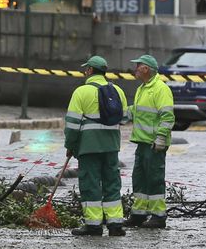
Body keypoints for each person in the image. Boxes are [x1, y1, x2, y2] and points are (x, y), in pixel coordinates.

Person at [64, 55, 129, 237]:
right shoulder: (117, 90)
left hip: (89, 147)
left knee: (90, 183)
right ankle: (115, 224)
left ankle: (93, 225)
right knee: (112, 183)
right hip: (111, 147)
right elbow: (124, 118)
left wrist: (70, 145)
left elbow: (72, 124)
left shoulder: (81, 92)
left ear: (90, 71)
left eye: (87, 69)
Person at [125, 54, 174, 229]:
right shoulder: (143, 88)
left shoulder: (160, 89)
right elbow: (138, 111)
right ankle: (138, 214)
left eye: (137, 66)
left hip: (154, 144)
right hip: (142, 142)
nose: (135, 69)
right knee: (139, 179)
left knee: (154, 179)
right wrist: (121, 114)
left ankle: (158, 216)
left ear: (146, 68)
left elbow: (167, 116)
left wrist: (161, 138)